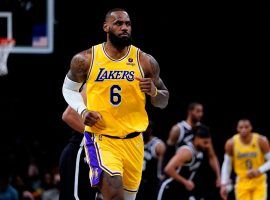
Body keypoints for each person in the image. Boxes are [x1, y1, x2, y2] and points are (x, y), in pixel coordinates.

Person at [62, 8, 169, 200]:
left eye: (127, 24)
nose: (124, 27)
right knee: (114, 191)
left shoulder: (145, 61)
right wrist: (82, 110)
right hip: (102, 138)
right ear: (106, 27)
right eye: (118, 23)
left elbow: (163, 100)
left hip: (134, 141)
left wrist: (153, 91)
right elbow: (69, 89)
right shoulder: (86, 59)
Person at [164, 102, 221, 187]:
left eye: (202, 111)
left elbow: (212, 156)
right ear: (190, 111)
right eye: (198, 111)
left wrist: (218, 176)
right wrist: (165, 171)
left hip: (193, 172)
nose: (201, 114)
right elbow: (167, 152)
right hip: (177, 171)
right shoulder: (178, 129)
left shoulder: (203, 130)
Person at [60, 88, 97, 199]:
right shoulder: (93, 82)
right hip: (79, 150)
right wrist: (98, 136)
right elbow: (68, 116)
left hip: (94, 152)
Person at [220, 119, 270, 200]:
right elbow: (227, 164)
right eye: (241, 127)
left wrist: (259, 170)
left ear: (251, 128)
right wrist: (224, 184)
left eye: (246, 127)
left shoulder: (261, 140)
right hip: (242, 182)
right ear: (237, 129)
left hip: (258, 180)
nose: (244, 130)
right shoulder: (231, 143)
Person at [158, 125, 211, 200]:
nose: (207, 146)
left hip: (180, 190)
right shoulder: (187, 152)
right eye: (205, 142)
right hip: (169, 188)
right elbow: (168, 169)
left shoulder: (199, 152)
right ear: (197, 139)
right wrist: (185, 182)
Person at [137, 121, 166, 200]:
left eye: (146, 129)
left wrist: (160, 177)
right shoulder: (136, 141)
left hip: (150, 181)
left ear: (150, 130)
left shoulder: (158, 145)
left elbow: (160, 168)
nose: (143, 132)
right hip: (137, 179)